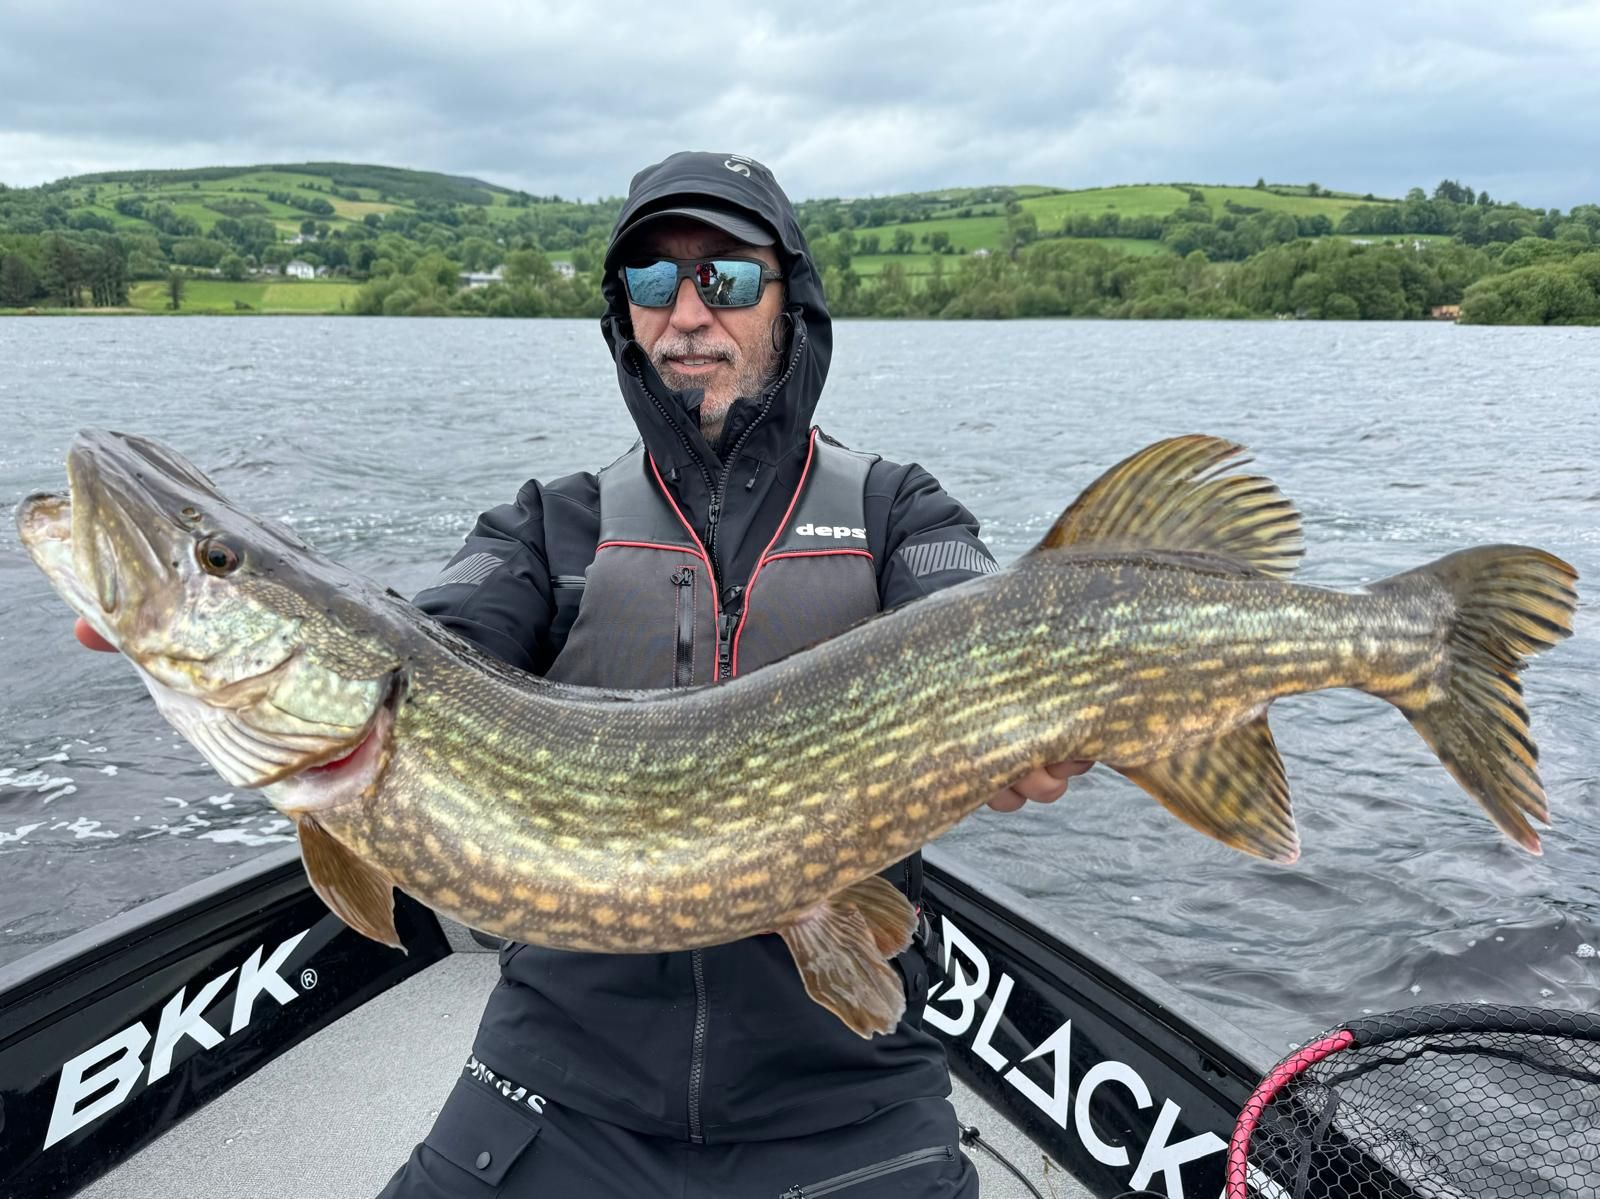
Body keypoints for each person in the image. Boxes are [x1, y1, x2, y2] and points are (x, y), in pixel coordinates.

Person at [73, 150, 1087, 1196]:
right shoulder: (548, 521)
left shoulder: (895, 510)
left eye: (726, 277)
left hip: (845, 1089)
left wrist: (1023, 719)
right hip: (559, 1080)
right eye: (652, 282)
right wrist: (197, 637)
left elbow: (978, 623)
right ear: (626, 317)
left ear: (791, 299)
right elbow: (432, 642)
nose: (687, 313)